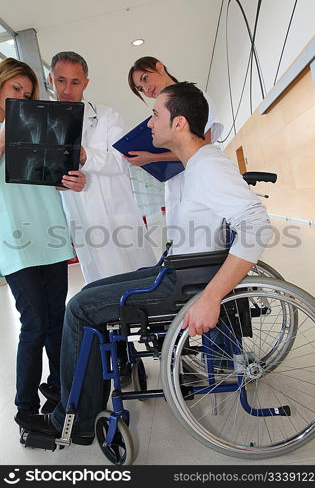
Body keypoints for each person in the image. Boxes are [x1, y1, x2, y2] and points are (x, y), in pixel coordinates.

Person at [14, 82, 273, 444]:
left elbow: (257, 226)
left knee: (80, 308)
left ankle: (72, 422)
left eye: (155, 115)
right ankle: (83, 409)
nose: (149, 124)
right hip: (178, 271)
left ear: (179, 123)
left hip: (185, 283)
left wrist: (212, 297)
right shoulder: (194, 164)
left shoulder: (209, 166)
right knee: (89, 293)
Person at [0, 58, 85, 419]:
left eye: (28, 93)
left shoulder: (37, 129)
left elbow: (52, 178)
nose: (22, 96)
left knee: (55, 322)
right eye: (16, 89)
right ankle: (26, 409)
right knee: (33, 324)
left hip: (49, 235)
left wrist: (73, 176)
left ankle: (58, 392)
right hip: (15, 241)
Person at [49, 52, 156, 285]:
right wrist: (61, 184)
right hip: (84, 224)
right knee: (101, 292)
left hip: (118, 219)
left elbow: (119, 161)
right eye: (61, 80)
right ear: (50, 80)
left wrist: (84, 153)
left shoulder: (108, 116)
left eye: (75, 82)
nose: (67, 89)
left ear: (85, 83)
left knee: (141, 287)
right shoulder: (46, 125)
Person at [127, 56, 224, 227]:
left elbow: (201, 145)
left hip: (199, 180)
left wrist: (152, 157)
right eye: (141, 89)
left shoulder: (196, 99)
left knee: (204, 236)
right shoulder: (162, 114)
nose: (147, 89)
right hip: (175, 181)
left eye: (145, 78)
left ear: (160, 67)